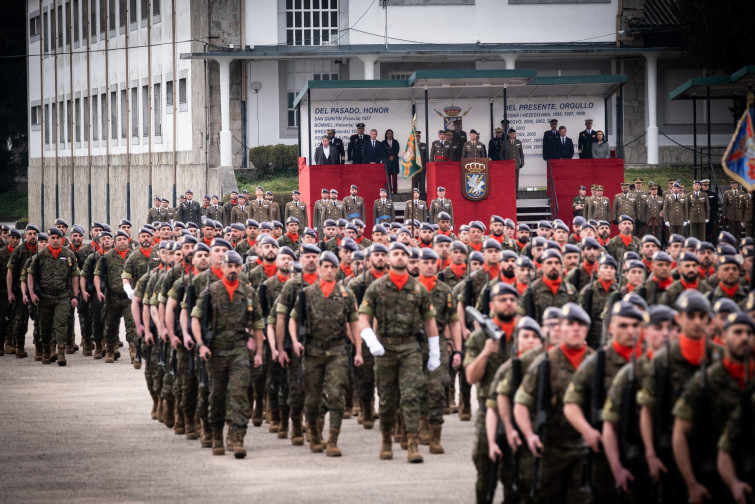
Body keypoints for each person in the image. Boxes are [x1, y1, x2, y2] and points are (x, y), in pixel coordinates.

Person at [357, 241, 441, 463]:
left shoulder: (418, 288)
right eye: (395, 253)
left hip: (411, 348)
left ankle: (412, 442)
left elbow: (430, 321)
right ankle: (386, 440)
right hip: (385, 349)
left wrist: (434, 351)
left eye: (404, 254)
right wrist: (370, 339)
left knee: (411, 395)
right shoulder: (377, 287)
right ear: (388, 258)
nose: (400, 257)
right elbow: (363, 317)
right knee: (386, 399)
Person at [513, 303, 594, 504]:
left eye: (581, 324)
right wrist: (530, 435)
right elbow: (521, 402)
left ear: (587, 330)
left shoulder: (596, 362)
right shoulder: (545, 362)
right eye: (570, 324)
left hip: (587, 446)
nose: (576, 328)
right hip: (551, 447)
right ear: (561, 329)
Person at [192, 250, 265, 459]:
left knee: (239, 394)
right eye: (229, 266)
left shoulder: (249, 293)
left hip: (240, 350)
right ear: (222, 267)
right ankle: (216, 435)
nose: (232, 269)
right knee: (217, 395)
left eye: (236, 266)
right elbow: (196, 319)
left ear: (240, 268)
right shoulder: (210, 291)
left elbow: (258, 325)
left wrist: (259, 352)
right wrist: (201, 345)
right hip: (215, 351)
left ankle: (237, 437)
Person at [289, 250, 361, 456]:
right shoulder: (307, 294)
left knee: (336, 395)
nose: (329, 270)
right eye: (325, 267)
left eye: (332, 267)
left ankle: (333, 440)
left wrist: (358, 350)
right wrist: (295, 341)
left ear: (337, 270)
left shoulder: (346, 294)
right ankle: (313, 432)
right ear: (320, 270)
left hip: (338, 350)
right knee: (312, 399)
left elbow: (354, 323)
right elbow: (294, 318)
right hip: (313, 351)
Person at [27, 227, 80, 366]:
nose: (55, 241)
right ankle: (46, 351)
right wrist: (32, 293)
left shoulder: (69, 254)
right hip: (44, 296)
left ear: (62, 239)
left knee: (61, 324)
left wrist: (75, 296)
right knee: (45, 325)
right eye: (53, 238)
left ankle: (61, 353)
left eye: (58, 238)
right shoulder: (40, 255)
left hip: (63, 296)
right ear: (49, 239)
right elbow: (31, 274)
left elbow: (75, 275)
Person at [382, 129, 400, 195]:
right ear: (386, 135)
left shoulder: (396, 142)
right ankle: (389, 190)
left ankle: (395, 191)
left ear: (392, 134)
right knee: (388, 177)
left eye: (390, 133)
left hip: (394, 161)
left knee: (394, 177)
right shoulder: (383, 142)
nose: (389, 135)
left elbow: (397, 150)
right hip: (387, 162)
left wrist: (393, 156)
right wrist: (388, 157)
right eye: (388, 133)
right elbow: (383, 152)